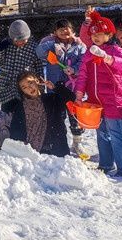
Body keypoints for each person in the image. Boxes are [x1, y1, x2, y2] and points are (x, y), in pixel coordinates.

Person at [74, 11, 122, 176]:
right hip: (95, 99)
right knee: (102, 133)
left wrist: (108, 58)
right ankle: (106, 164)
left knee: (117, 134)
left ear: (109, 34)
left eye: (100, 34)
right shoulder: (89, 52)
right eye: (93, 34)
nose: (95, 38)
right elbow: (83, 74)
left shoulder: (115, 49)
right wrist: (79, 94)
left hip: (113, 99)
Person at [35, 19, 87, 156]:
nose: (64, 31)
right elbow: (39, 52)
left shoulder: (79, 46)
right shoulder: (51, 44)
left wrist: (74, 69)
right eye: (60, 29)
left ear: (72, 30)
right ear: (55, 32)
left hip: (72, 89)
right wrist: (52, 44)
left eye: (67, 28)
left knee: (75, 117)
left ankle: (77, 143)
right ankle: (59, 141)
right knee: (58, 116)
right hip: (54, 87)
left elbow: (84, 62)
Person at [2, 72, 76, 157]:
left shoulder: (52, 99)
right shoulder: (20, 107)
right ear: (22, 91)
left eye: (30, 82)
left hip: (57, 151)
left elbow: (71, 99)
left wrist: (55, 88)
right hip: (33, 156)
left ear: (37, 81)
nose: (29, 88)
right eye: (24, 87)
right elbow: (16, 131)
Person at [80, 8, 122, 97]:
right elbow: (85, 37)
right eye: (121, 30)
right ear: (113, 29)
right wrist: (88, 22)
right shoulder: (101, 45)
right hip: (102, 89)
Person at [0, 19, 44, 106]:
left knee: (25, 112)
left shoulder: (34, 48)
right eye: (17, 41)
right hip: (6, 88)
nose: (20, 43)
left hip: (26, 88)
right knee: (8, 112)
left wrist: (40, 86)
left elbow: (39, 68)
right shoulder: (6, 46)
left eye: (23, 40)